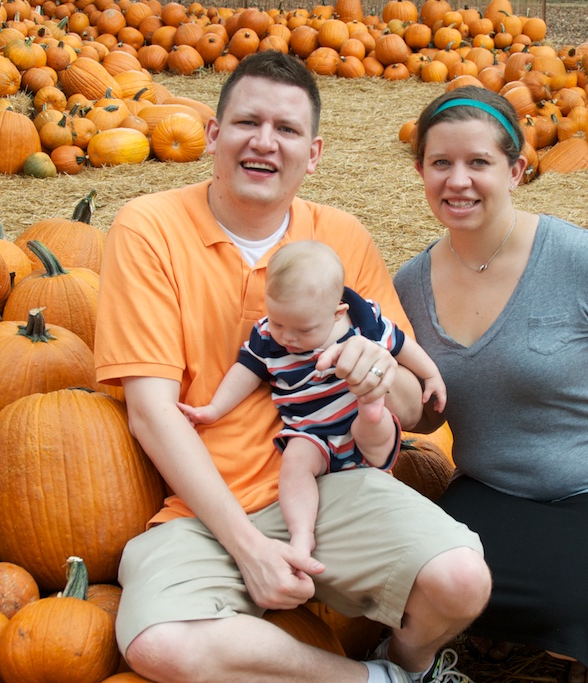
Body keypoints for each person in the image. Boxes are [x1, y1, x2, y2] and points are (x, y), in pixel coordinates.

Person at [94, 50, 489, 683]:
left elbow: (414, 410)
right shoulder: (150, 228)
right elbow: (151, 412)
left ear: (314, 153)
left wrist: (378, 378)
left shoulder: (342, 238)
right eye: (248, 123)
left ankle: (407, 662)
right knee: (160, 645)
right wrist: (248, 548)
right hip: (204, 507)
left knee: (461, 578)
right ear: (213, 134)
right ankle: (374, 682)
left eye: (287, 130)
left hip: (334, 484)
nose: (264, 143)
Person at [394, 84, 588, 683]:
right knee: (423, 579)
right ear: (421, 170)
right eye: (441, 163)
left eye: (478, 162)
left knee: (573, 601)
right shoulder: (409, 287)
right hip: (490, 492)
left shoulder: (574, 257)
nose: (458, 180)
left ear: (516, 169)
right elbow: (426, 415)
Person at [177, 240, 446, 556]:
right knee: (294, 464)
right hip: (310, 432)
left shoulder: (363, 321)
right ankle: (301, 535)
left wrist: (431, 375)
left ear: (337, 313)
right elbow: (244, 372)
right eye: (278, 322)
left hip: (356, 422)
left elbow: (400, 345)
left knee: (375, 421)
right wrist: (212, 410)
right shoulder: (266, 336)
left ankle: (372, 414)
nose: (288, 337)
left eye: (303, 329)